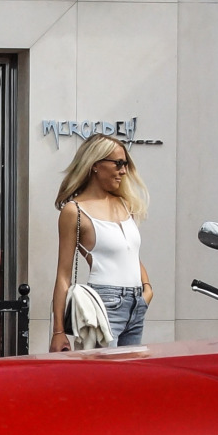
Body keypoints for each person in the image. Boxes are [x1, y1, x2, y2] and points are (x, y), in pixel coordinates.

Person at [50, 134, 151, 350]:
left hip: (136, 305)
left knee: (129, 379)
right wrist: (58, 331)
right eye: (119, 163)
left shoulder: (124, 204)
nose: (123, 171)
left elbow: (131, 253)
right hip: (104, 304)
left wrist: (147, 290)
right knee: (103, 377)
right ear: (96, 165)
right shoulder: (74, 210)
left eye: (125, 164)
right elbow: (63, 275)